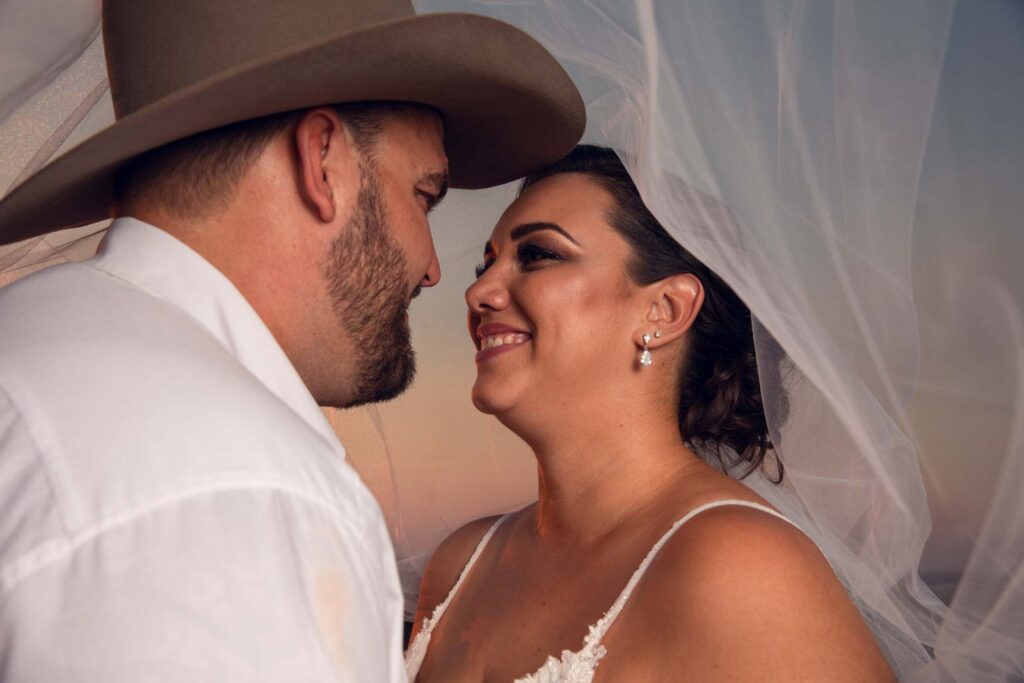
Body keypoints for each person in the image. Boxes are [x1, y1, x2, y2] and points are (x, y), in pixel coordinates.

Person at [0, 1, 583, 681]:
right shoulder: (242, 501)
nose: (432, 266)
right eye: (424, 196)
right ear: (323, 160)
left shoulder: (26, 336)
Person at [406, 145, 897, 682]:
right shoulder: (461, 563)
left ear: (664, 311)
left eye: (538, 255)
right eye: (486, 263)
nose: (478, 291)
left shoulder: (740, 568)